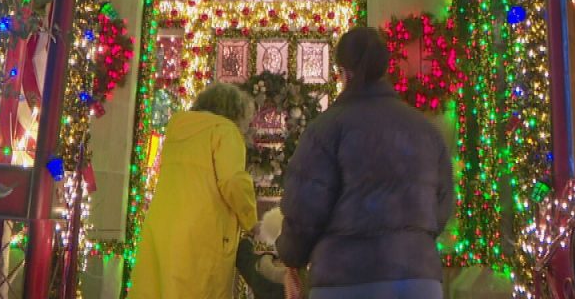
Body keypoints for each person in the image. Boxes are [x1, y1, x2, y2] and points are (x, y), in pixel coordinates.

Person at [276, 27, 454, 299]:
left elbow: (305, 208)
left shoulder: (326, 129)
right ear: (384, 68)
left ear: (343, 71)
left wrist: (292, 260)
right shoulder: (426, 131)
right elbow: (440, 206)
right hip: (418, 280)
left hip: (345, 279)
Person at [130, 82, 259, 299]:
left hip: (162, 229)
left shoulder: (177, 130)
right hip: (202, 235)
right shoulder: (225, 131)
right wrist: (250, 220)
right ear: (234, 112)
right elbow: (232, 181)